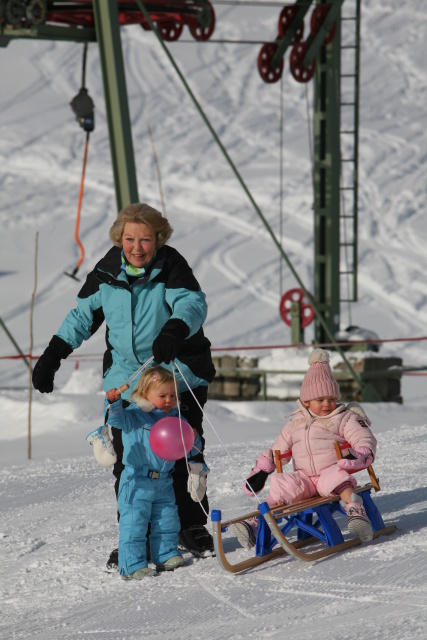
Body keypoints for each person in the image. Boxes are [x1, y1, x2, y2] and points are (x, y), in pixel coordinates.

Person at [32, 202, 216, 564]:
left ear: (158, 239)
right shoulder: (106, 271)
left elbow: (192, 303)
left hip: (174, 373)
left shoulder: (171, 265)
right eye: (129, 238)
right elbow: (82, 316)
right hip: (129, 380)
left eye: (145, 239)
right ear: (119, 239)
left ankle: (191, 524)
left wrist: (176, 327)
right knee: (130, 463)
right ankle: (136, 535)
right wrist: (53, 354)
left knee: (181, 453)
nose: (137, 246)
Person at [233, 348, 377, 548]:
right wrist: (263, 468)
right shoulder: (295, 423)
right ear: (307, 401)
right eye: (320, 400)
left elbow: (363, 437)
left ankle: (356, 513)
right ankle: (256, 523)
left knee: (339, 478)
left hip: (331, 470)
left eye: (331, 399)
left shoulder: (344, 417)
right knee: (281, 486)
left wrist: (361, 453)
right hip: (305, 478)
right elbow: (279, 450)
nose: (327, 404)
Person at [104, 366, 201, 579]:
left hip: (163, 480)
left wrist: (194, 437)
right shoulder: (134, 416)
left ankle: (165, 555)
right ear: (146, 394)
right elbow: (116, 419)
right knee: (134, 523)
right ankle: (131, 565)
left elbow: (191, 446)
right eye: (162, 395)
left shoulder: (177, 420)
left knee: (166, 519)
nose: (168, 400)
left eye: (172, 395)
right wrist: (114, 403)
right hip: (136, 480)